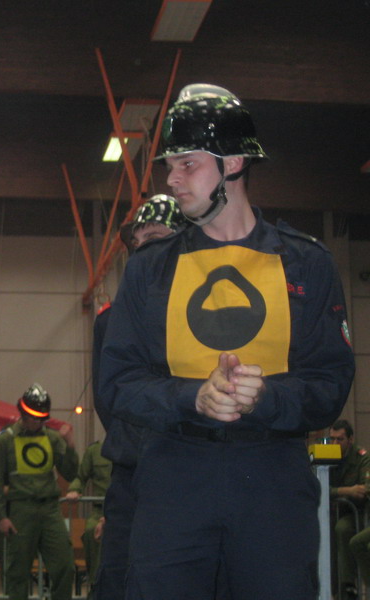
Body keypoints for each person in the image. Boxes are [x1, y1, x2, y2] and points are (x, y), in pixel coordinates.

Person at [97, 83, 355, 599]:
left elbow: (330, 382)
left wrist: (268, 398)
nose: (171, 179)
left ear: (233, 163)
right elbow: (118, 382)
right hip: (172, 480)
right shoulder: (149, 270)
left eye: (187, 164)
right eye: (170, 166)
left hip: (273, 482)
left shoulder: (306, 264)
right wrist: (192, 397)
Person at [92, 194, 185, 600]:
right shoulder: (110, 320)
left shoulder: (208, 314)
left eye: (156, 237)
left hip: (191, 467)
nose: (143, 247)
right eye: (138, 239)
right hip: (132, 470)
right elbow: (106, 396)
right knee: (118, 574)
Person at [0, 383, 79, 600]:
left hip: (50, 510)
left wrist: (70, 446)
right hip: (21, 510)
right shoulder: (6, 439)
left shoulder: (52, 438)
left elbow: (70, 473)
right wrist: (1, 516)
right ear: (23, 413)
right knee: (17, 573)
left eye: (42, 419)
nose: (38, 422)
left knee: (65, 566)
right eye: (34, 418)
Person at [329, 420, 370, 599]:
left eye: (340, 439)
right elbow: (319, 487)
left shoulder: (361, 457)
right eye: (332, 439)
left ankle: (348, 586)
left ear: (350, 439)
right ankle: (333, 588)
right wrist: (347, 491)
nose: (335, 444)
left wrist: (340, 493)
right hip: (332, 511)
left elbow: (364, 490)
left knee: (344, 530)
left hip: (358, 512)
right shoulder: (326, 457)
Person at [65, 439, 112, 595]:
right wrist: (74, 489)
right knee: (92, 532)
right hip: (100, 510)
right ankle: (95, 586)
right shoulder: (95, 451)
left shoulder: (135, 446)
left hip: (126, 510)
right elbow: (80, 476)